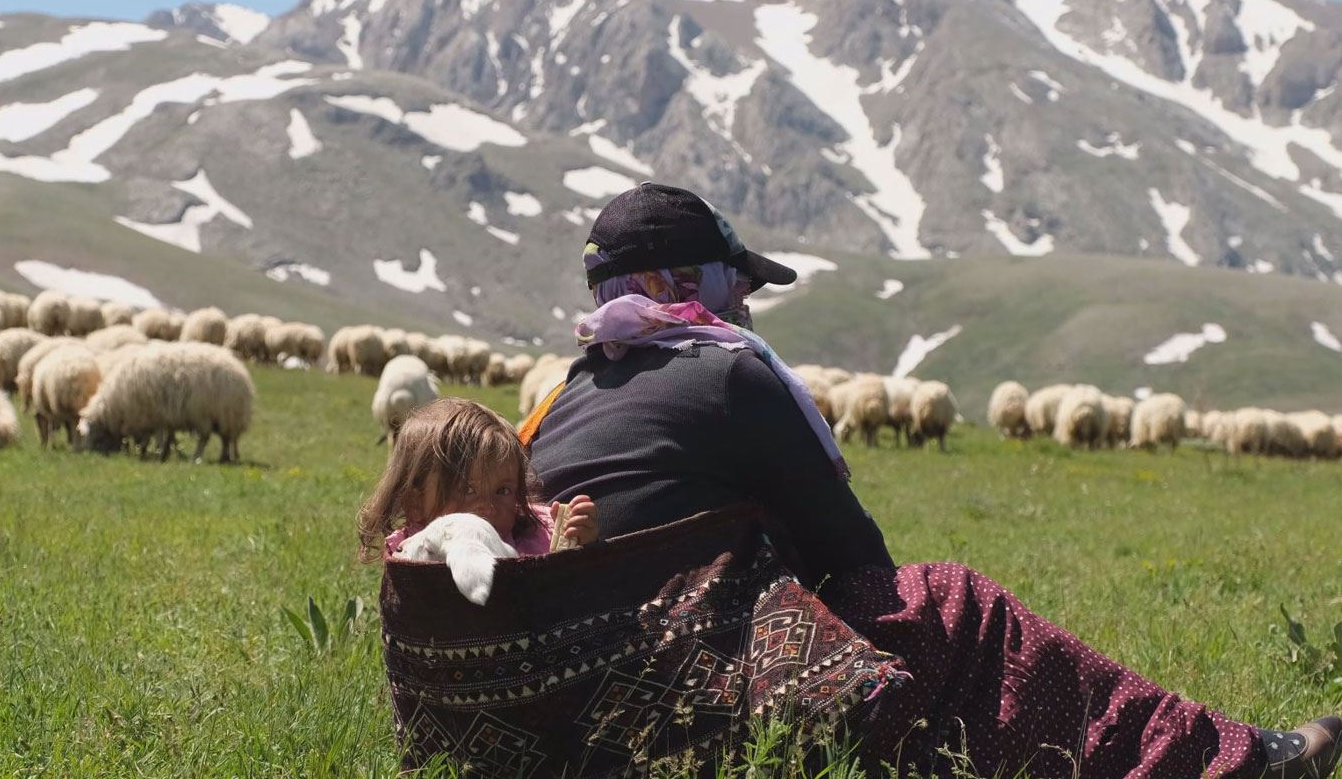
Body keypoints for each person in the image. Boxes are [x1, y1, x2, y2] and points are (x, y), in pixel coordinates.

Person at [525, 182, 1340, 779]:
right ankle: (1226, 763)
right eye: (733, 280)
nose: (744, 302)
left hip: (587, 699)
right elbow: (852, 557)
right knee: (951, 605)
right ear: (680, 284)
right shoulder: (728, 377)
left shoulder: (566, 394)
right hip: (695, 697)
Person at [357, 397, 597, 561]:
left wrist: (577, 542)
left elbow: (564, 587)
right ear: (416, 504)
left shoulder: (535, 535)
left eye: (503, 491)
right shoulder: (415, 556)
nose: (488, 507)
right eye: (467, 490)